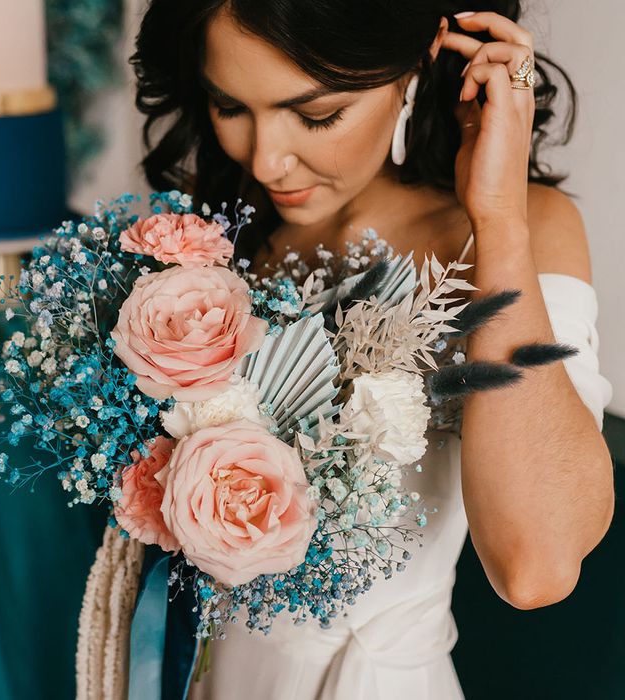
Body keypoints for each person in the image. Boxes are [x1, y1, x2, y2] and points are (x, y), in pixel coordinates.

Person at [129, 2, 615, 697]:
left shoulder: (522, 229)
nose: (267, 157)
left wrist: (498, 218)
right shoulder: (221, 225)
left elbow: (536, 567)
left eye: (317, 114)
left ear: (416, 63)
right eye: (228, 104)